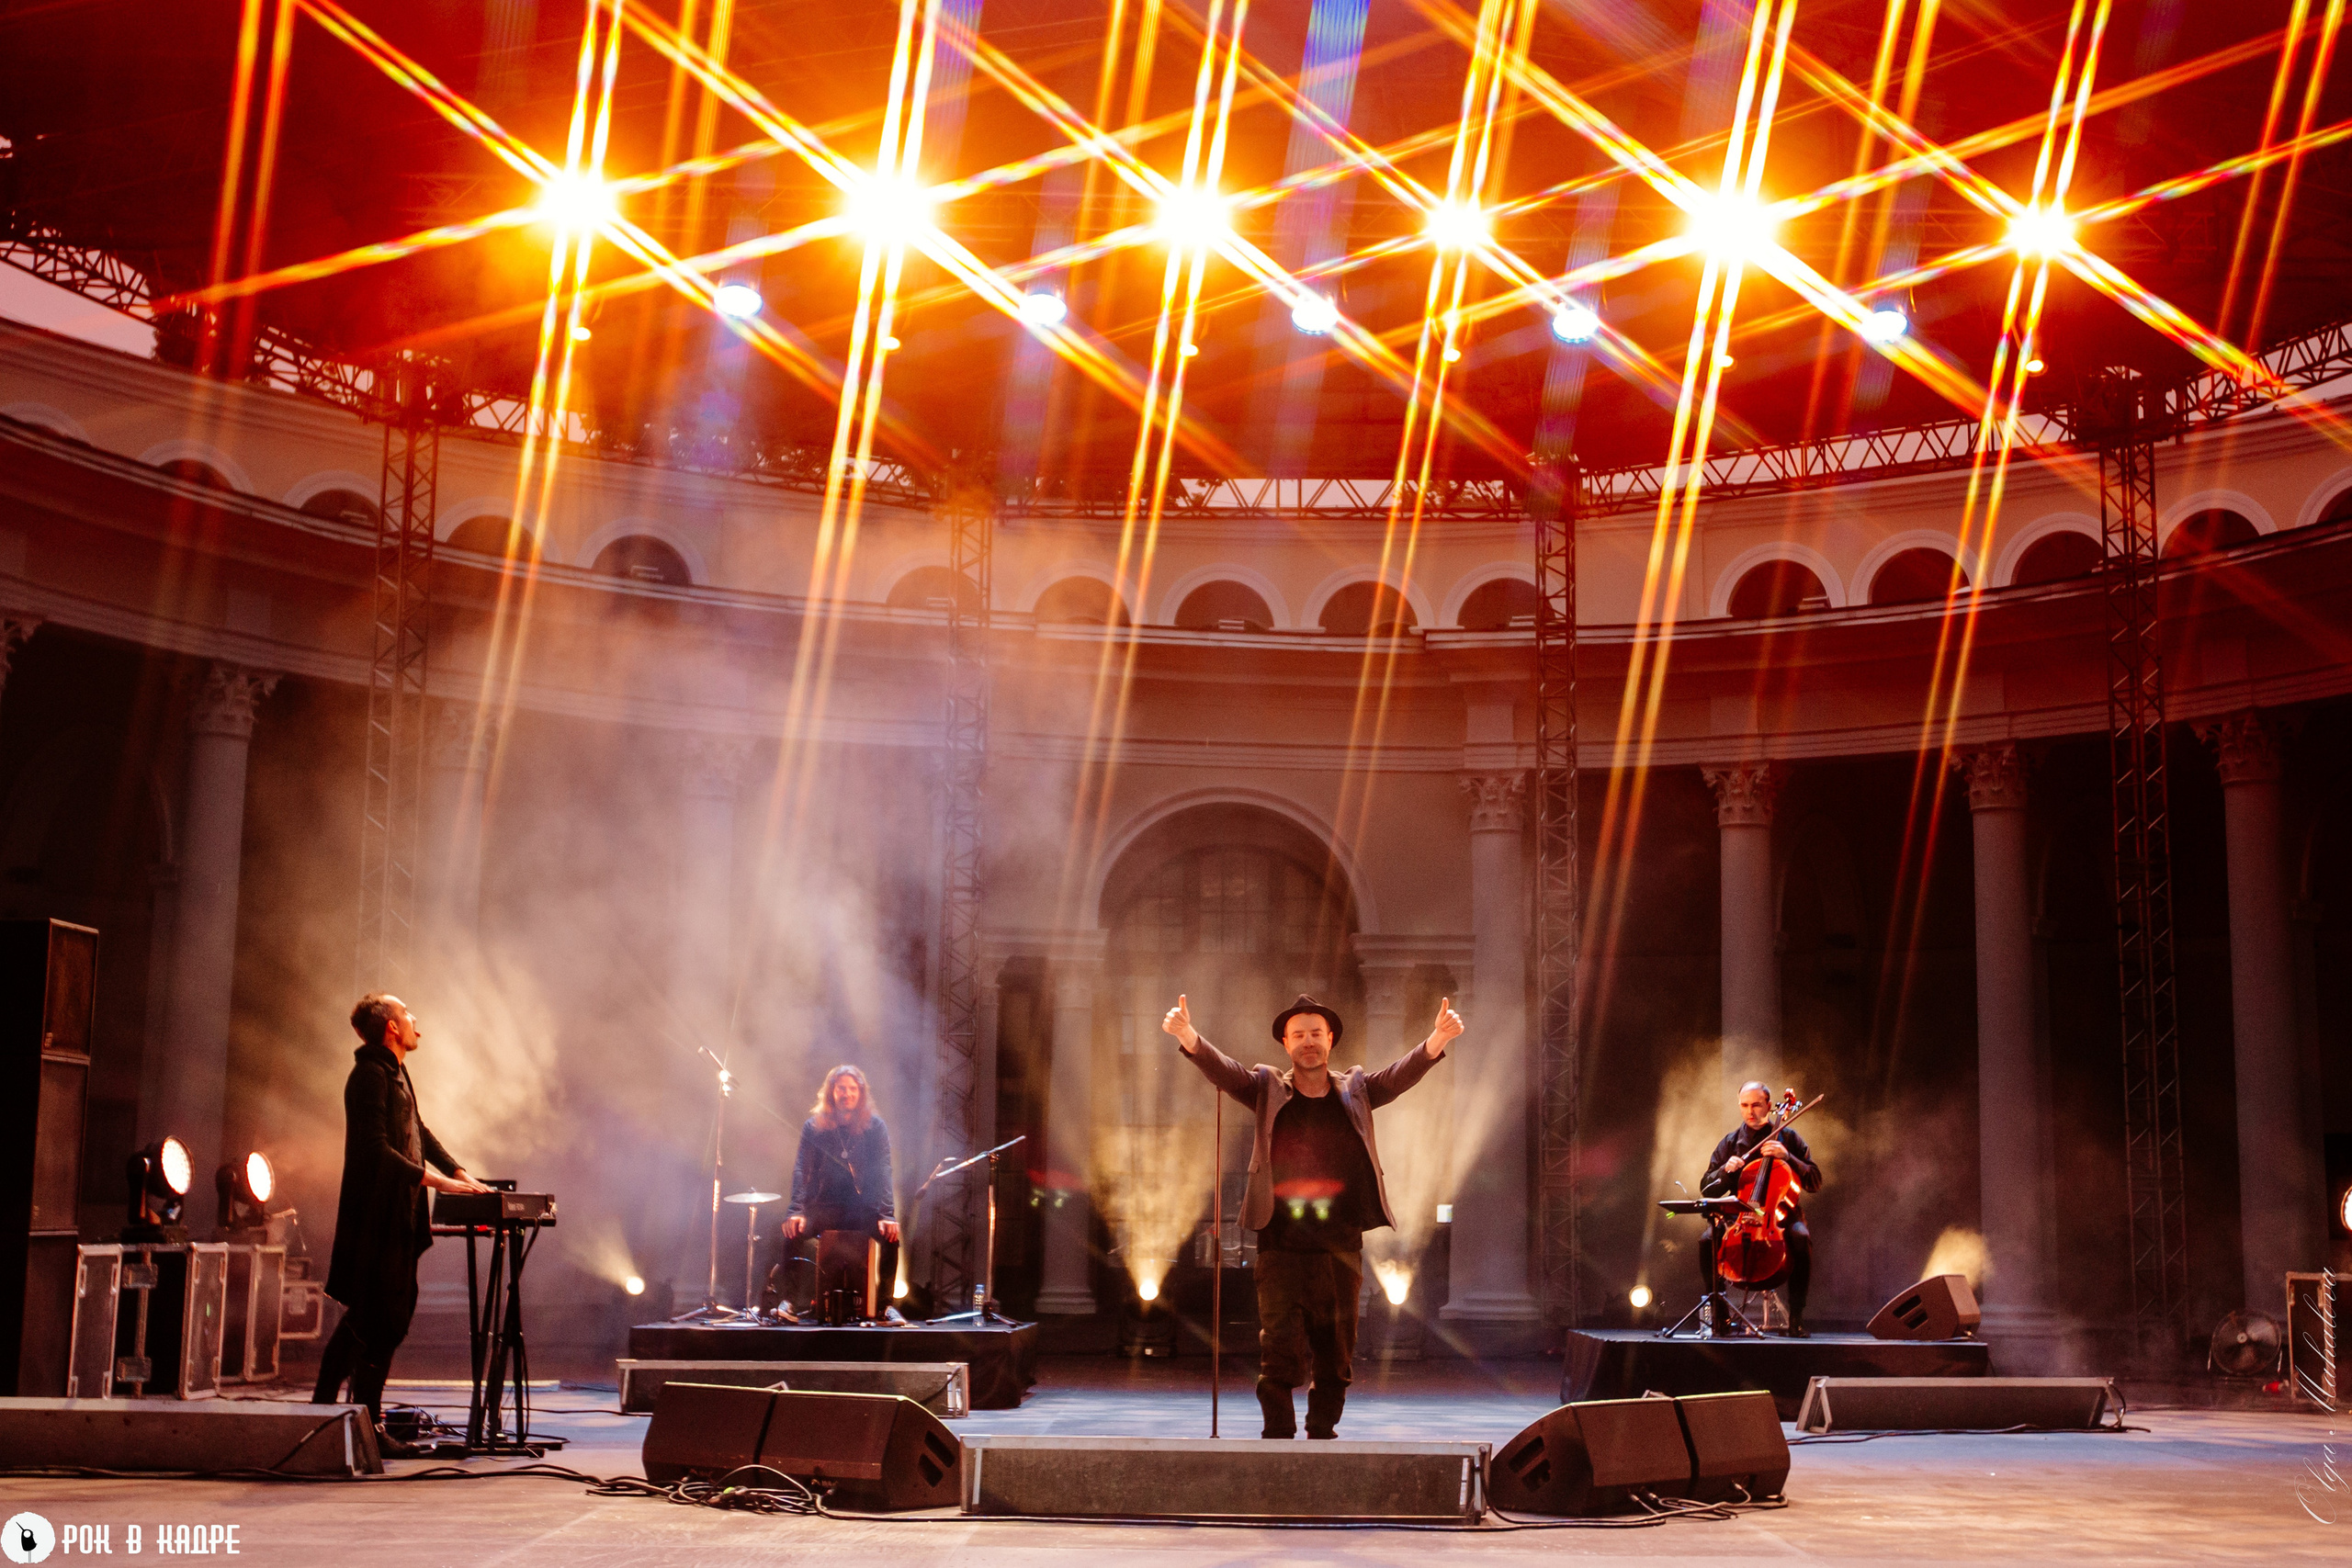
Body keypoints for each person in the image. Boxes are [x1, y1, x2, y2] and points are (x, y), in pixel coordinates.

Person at [1164, 990, 1462, 1439]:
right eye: (1298, 1034)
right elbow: (1225, 1071)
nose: (1308, 1041)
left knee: (1336, 1354)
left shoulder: (1357, 1090)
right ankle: (1278, 1436)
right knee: (1278, 1350)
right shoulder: (1266, 1087)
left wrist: (1435, 1040)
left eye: (1316, 1034)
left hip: (1340, 1247)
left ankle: (1322, 1431)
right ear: (1286, 1044)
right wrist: (1189, 1036)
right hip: (1280, 1245)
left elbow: (1397, 1078)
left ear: (1330, 1040)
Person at [316, 993, 489, 1449]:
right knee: (372, 1315)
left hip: (400, 1217)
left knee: (388, 1317)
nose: (417, 1023)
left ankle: (353, 1421)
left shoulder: (395, 1072)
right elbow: (374, 1148)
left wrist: (457, 1170)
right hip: (376, 1217)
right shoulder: (368, 1077)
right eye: (408, 1015)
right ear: (391, 1028)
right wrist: (435, 1182)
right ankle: (323, 1416)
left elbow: (419, 1128)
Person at [763, 1065, 901, 1318]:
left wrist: (887, 1215)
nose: (846, 1094)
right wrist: (796, 1211)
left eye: (852, 1089)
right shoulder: (814, 1127)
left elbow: (884, 1171)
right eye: (841, 1088)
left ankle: (886, 1307)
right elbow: (801, 1171)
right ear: (831, 1092)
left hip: (863, 1208)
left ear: (860, 1094)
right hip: (825, 1206)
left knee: (891, 1236)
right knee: (792, 1232)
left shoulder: (875, 1128)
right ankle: (788, 1303)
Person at [1699, 1080, 1823, 1337]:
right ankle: (1720, 1315)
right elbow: (1706, 1188)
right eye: (1744, 1105)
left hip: (1781, 1217)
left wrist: (1788, 1157)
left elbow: (1815, 1180)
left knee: (1801, 1238)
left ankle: (1796, 1317)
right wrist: (1724, 1171)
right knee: (1707, 1240)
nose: (1750, 1111)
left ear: (1769, 1105)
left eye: (1756, 1105)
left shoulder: (1788, 1137)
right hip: (1739, 1216)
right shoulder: (1731, 1142)